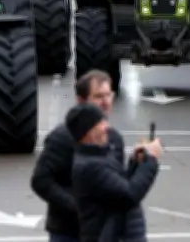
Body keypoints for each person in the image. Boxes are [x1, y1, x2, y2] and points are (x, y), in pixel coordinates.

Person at [31, 70, 125, 242]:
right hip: (68, 232)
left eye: (108, 95)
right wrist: (76, 205)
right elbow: (41, 180)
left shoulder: (115, 139)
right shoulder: (62, 137)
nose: (105, 102)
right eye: (98, 96)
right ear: (81, 100)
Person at [69, 103, 160, 242]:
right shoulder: (91, 166)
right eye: (100, 123)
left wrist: (136, 163)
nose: (107, 127)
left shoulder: (99, 157)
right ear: (88, 131)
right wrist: (151, 160)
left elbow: (120, 187)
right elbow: (129, 195)